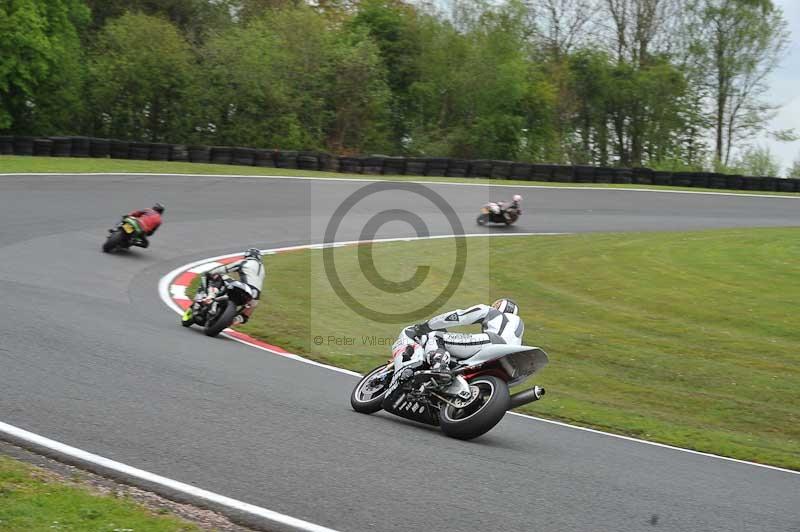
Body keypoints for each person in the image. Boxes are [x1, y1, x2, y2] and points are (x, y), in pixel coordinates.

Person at [401, 298, 524, 371]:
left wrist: (425, 326)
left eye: (496, 304)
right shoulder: (519, 325)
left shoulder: (491, 312)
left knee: (435, 336)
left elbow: (458, 317)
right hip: (510, 359)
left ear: (500, 306)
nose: (493, 306)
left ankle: (439, 366)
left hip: (492, 342)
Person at [200, 247, 265, 325]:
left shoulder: (244, 262)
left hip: (245, 287)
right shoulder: (262, 269)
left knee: (219, 276)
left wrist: (210, 273)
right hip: (255, 295)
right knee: (246, 314)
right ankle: (236, 320)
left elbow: (225, 269)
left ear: (247, 255)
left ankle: (210, 297)